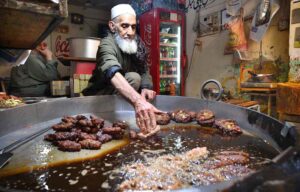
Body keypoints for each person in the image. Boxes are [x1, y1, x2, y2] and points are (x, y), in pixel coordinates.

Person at [82, 4, 161, 136]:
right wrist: (138, 101)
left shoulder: (135, 44)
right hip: (101, 95)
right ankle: (108, 120)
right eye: (124, 26)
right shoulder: (107, 44)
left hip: (122, 94)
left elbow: (144, 68)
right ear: (112, 26)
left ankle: (121, 115)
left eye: (133, 27)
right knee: (134, 78)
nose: (130, 32)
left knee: (137, 77)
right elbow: (112, 72)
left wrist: (146, 87)